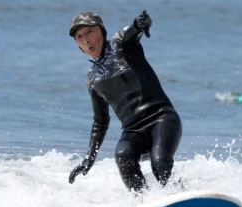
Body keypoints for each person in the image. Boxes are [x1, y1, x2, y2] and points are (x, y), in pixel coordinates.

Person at [67, 10, 182, 193]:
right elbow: (100, 121)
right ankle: (145, 204)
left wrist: (140, 23)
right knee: (123, 156)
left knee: (159, 161)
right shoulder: (92, 79)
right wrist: (89, 158)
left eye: (90, 31)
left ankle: (179, 195)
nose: (86, 39)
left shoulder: (120, 44)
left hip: (161, 118)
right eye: (79, 36)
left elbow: (134, 29)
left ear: (102, 31)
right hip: (133, 130)